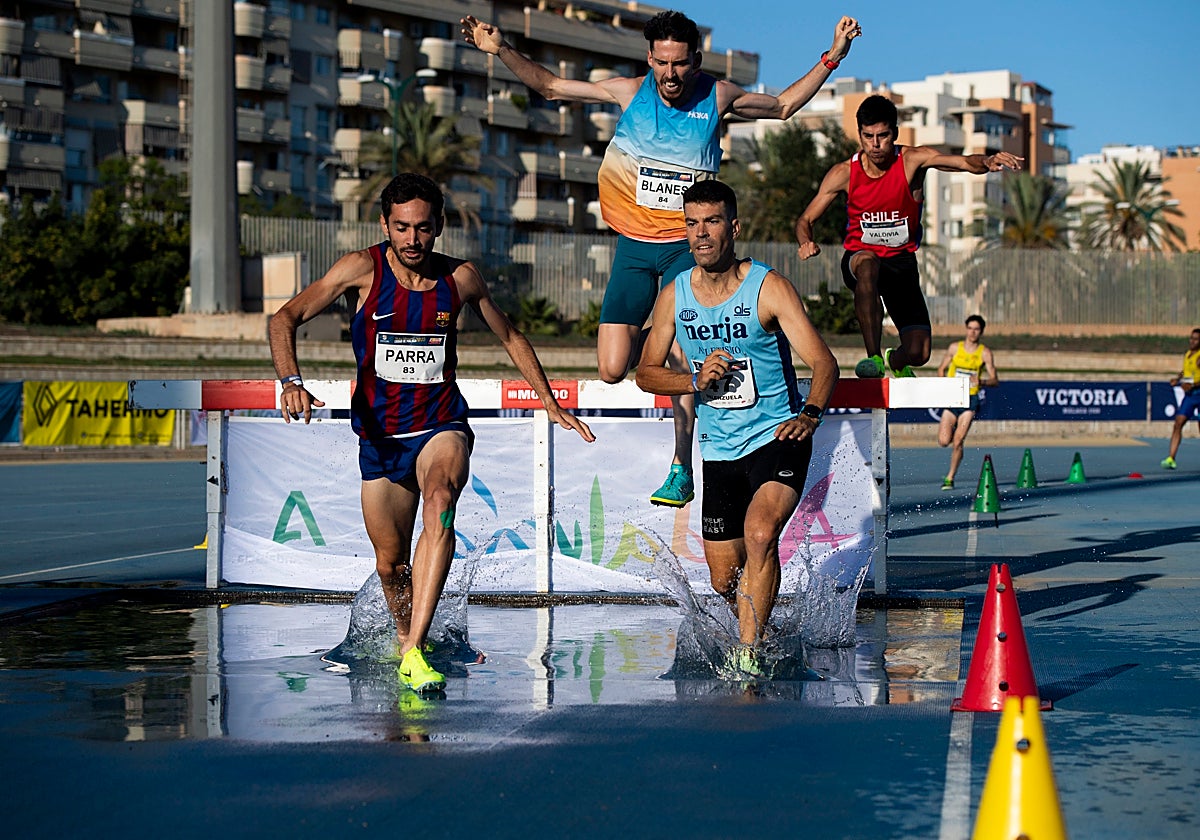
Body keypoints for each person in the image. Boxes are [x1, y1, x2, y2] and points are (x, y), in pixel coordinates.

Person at [462, 10, 860, 507]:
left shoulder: (716, 97)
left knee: (679, 353)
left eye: (680, 64)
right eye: (662, 63)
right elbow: (551, 87)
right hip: (633, 245)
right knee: (612, 367)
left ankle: (680, 466)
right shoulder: (629, 92)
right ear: (649, 57)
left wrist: (833, 55)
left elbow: (782, 106)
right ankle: (664, 335)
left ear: (696, 60)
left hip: (684, 245)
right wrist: (501, 49)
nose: (670, 75)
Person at [269, 173, 595, 694]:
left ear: (439, 225)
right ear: (385, 225)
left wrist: (549, 402)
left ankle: (414, 649)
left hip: (441, 426)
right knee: (390, 565)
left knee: (441, 498)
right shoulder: (360, 270)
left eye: (422, 228)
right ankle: (408, 638)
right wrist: (291, 381)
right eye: (402, 228)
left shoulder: (460, 278)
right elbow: (284, 318)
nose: (412, 239)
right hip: (381, 439)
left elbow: (511, 335)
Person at [635, 180, 839, 677]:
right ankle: (766, 632)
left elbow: (824, 362)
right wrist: (693, 380)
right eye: (692, 224)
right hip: (720, 450)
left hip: (777, 437)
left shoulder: (769, 288)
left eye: (712, 222)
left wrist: (809, 414)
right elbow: (645, 373)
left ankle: (748, 657)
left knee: (761, 532)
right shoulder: (674, 296)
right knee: (724, 580)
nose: (701, 234)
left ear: (734, 227)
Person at [795, 94, 1023, 380]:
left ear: (895, 133)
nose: (875, 144)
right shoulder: (844, 173)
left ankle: (895, 358)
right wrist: (805, 241)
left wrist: (987, 160)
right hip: (859, 258)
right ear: (860, 135)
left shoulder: (913, 160)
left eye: (882, 136)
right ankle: (874, 358)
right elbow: (805, 219)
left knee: (919, 352)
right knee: (868, 265)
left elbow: (962, 162)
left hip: (901, 263)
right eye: (868, 137)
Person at [936, 314, 998, 490]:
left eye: (976, 329)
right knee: (943, 441)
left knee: (958, 440)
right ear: (966, 329)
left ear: (981, 332)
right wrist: (944, 384)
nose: (972, 332)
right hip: (952, 398)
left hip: (970, 400)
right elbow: (941, 369)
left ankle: (950, 477)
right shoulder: (955, 348)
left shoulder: (985, 353)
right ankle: (954, 430)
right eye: (970, 328)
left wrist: (982, 381)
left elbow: (995, 380)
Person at [1161, 327, 1200, 469]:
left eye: (1196, 339)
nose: (1192, 341)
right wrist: (1177, 379)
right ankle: (1171, 458)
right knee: (1178, 423)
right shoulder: (1188, 354)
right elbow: (1185, 371)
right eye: (1191, 338)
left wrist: (1193, 385)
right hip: (1189, 396)